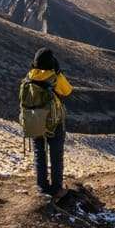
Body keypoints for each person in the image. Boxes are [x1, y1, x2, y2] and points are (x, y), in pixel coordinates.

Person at [23, 47, 72, 200]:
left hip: (35, 120)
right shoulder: (53, 77)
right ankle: (57, 189)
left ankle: (41, 187)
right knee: (56, 155)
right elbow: (67, 91)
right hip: (53, 122)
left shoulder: (29, 77)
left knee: (39, 153)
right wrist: (58, 72)